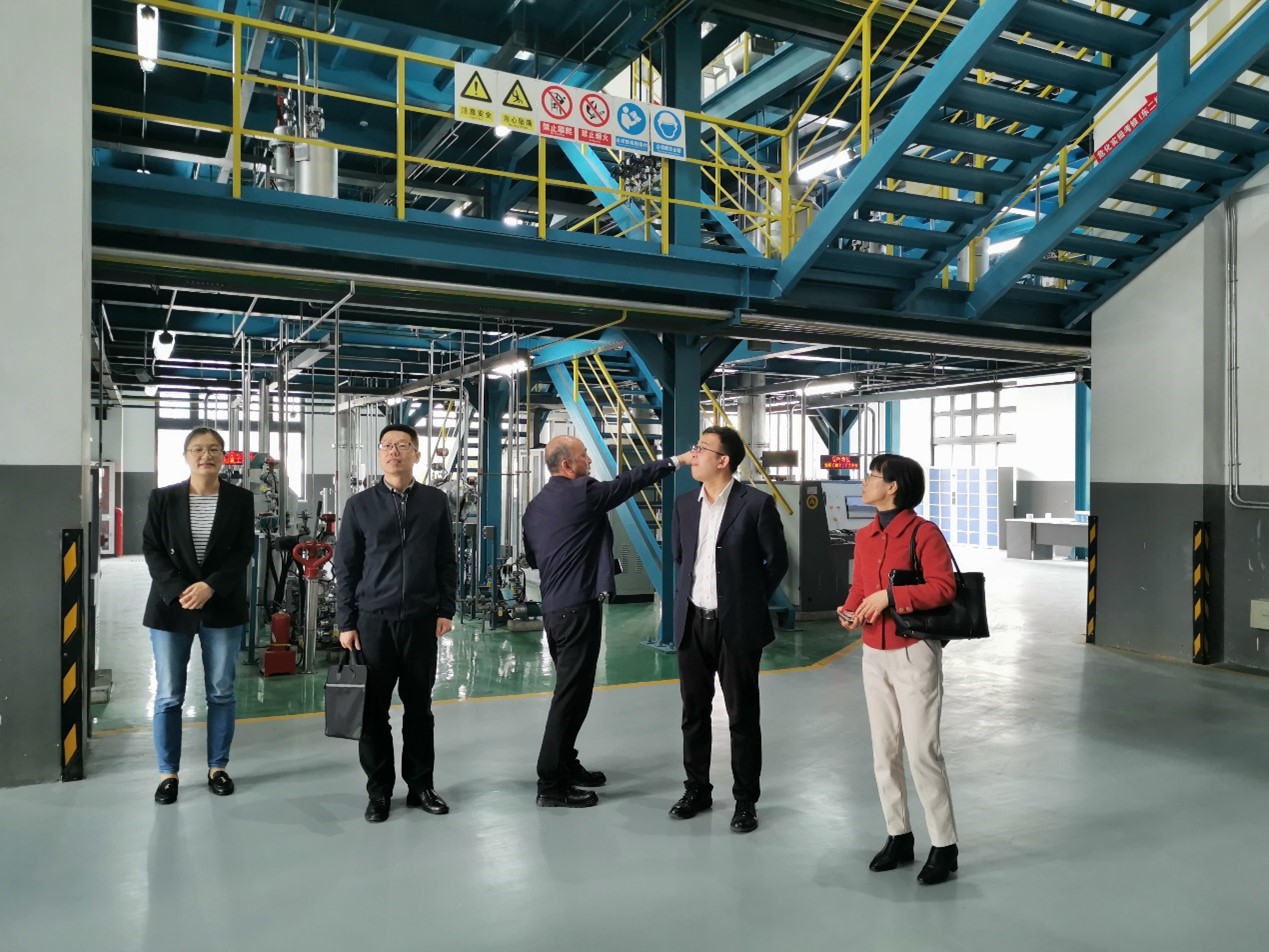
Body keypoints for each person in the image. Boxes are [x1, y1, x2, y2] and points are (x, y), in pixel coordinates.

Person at [522, 435, 692, 808]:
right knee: (569, 696)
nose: (589, 461)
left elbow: (533, 557)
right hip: (577, 609)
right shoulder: (583, 493)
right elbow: (630, 482)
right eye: (584, 456)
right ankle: (550, 783)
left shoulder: (534, 507)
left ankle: (566, 763)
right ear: (567, 465)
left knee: (574, 692)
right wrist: (676, 461)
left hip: (554, 609)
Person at [838, 453, 961, 885]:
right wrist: (850, 610)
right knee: (884, 751)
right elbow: (859, 586)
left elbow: (943, 587)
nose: (865, 482)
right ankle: (898, 835)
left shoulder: (924, 533)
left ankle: (944, 846)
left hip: (914, 652)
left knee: (923, 751)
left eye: (872, 476)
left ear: (893, 487)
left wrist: (891, 597)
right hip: (874, 652)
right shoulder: (866, 535)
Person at [334, 424, 458, 824]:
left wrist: (446, 609)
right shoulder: (359, 505)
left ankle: (421, 786)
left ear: (416, 454)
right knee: (373, 713)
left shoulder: (435, 502)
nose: (394, 451)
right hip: (373, 621)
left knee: (419, 709)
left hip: (421, 622)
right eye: (387, 445)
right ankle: (379, 792)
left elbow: (446, 559)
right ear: (379, 454)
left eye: (403, 445)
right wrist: (346, 621)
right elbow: (346, 567)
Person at [668, 426, 788, 834]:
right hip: (692, 621)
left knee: (742, 716)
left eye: (701, 448)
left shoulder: (756, 504)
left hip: (736, 625)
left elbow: (777, 561)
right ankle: (697, 790)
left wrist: (748, 599)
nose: (694, 454)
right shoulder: (684, 505)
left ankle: (745, 800)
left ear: (723, 460)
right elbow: (681, 558)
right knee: (693, 713)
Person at [142, 426, 255, 805]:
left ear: (223, 456)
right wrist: (179, 589)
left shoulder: (240, 499)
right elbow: (152, 548)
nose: (205, 455)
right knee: (169, 694)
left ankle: (217, 767)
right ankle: (168, 773)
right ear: (186, 456)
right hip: (171, 605)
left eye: (213, 449)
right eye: (197, 449)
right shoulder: (163, 498)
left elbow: (243, 550)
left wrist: (211, 586)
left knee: (221, 691)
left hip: (221, 603)